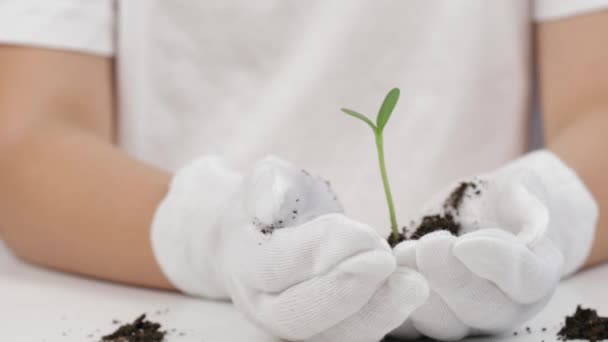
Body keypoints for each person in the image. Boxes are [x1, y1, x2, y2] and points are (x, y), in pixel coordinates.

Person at [0, 1, 606, 341]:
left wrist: (545, 213)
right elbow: (27, 144)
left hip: (493, 322)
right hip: (188, 316)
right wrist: (209, 235)